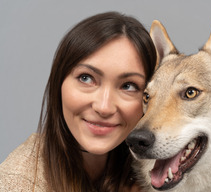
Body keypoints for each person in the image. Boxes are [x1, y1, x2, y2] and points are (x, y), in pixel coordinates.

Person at [0, 12, 156, 192]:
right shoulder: (17, 183)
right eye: (86, 78)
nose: (104, 107)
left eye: (128, 86)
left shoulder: (161, 175)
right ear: (58, 82)